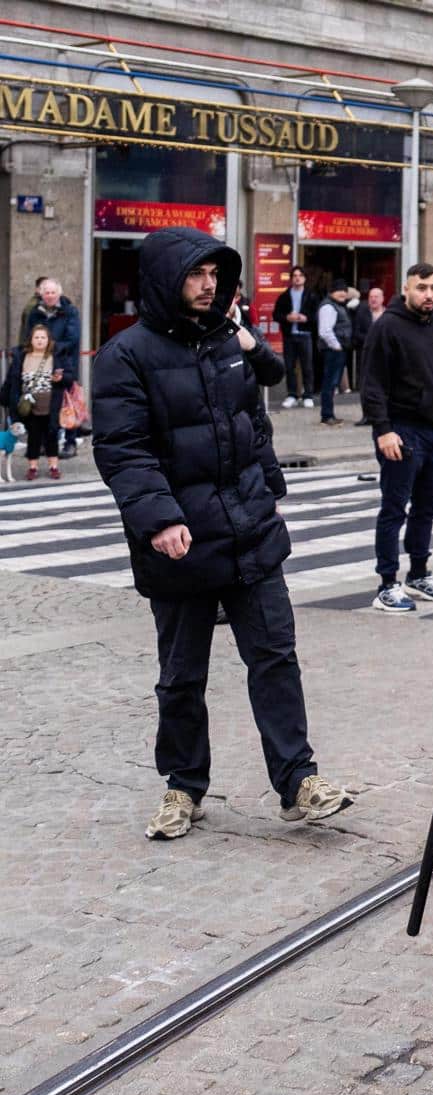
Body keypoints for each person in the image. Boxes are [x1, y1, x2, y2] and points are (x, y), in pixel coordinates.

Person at [92, 226, 350, 839]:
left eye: (215, 274)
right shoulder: (125, 356)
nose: (209, 285)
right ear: (164, 279)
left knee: (274, 657)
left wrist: (272, 499)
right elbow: (123, 449)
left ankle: (297, 781)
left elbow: (252, 427)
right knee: (182, 675)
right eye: (195, 274)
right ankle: (183, 786)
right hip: (180, 542)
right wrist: (159, 519)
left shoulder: (226, 342)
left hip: (250, 529)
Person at [360, 262, 433, 613]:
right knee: (394, 509)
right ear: (406, 289)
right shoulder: (388, 327)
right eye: (421, 288)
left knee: (426, 508)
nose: (428, 295)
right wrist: (383, 430)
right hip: (402, 431)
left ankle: (418, 573)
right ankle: (387, 583)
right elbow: (372, 384)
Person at [19, 277, 81, 456]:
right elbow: (29, 337)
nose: (50, 296)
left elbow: (72, 338)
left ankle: (70, 442)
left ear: (59, 293)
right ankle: (46, 444)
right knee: (43, 403)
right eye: (47, 292)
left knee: (68, 404)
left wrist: (49, 348)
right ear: (41, 293)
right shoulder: (35, 313)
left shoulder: (70, 311)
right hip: (40, 364)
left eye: (53, 292)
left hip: (65, 363)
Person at [3, 323, 70, 480]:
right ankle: (32, 467)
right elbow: (12, 381)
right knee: (33, 436)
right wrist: (7, 398)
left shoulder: (57, 356)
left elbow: (70, 377)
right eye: (37, 337)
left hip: (51, 404)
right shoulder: (22, 356)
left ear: (49, 340)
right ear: (31, 340)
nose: (40, 340)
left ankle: (54, 466)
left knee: (52, 435)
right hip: (29, 405)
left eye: (43, 337)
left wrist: (61, 378)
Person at [272, 265, 316, 408]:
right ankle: (292, 394)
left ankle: (308, 395)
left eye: (300, 276)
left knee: (307, 366)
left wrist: (306, 318)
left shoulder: (311, 295)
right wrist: (287, 317)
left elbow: (317, 315)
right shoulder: (284, 296)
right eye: (294, 276)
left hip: (305, 335)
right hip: (289, 336)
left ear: (304, 278)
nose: (297, 278)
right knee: (289, 366)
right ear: (291, 279)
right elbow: (276, 315)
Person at [315, 280, 353, 426]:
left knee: (332, 383)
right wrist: (336, 346)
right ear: (331, 292)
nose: (343, 293)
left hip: (337, 349)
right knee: (329, 383)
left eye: (345, 290)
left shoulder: (338, 305)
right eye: (339, 290)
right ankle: (327, 415)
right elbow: (325, 331)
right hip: (332, 350)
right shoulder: (328, 307)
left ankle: (329, 414)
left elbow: (354, 296)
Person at [351, 286, 386, 421]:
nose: (373, 299)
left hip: (383, 356)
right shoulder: (362, 313)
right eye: (371, 297)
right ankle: (366, 415)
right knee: (365, 386)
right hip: (366, 355)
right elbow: (357, 333)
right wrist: (371, 340)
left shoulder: (388, 315)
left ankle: (382, 414)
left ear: (382, 299)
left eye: (376, 296)